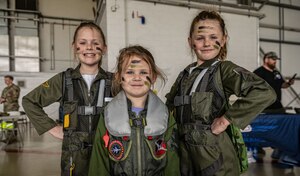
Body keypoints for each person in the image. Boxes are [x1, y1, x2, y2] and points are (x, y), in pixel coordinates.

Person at [165, 10, 276, 176]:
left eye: (213, 37)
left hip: (214, 155)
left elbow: (264, 92)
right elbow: (169, 107)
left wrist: (226, 119)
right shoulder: (185, 74)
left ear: (223, 40)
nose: (207, 43)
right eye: (200, 38)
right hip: (184, 153)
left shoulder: (223, 70)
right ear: (190, 42)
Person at [22, 22, 112, 176]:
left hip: (107, 155)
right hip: (74, 158)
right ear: (74, 47)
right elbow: (29, 101)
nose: (89, 47)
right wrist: (53, 128)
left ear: (104, 48)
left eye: (95, 43)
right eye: (82, 43)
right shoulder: (63, 80)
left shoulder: (115, 82)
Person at [89, 45, 180, 176]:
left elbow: (173, 164)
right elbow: (99, 164)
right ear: (119, 77)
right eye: (130, 72)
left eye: (143, 72)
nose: (137, 78)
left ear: (153, 77)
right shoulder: (108, 116)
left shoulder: (164, 116)